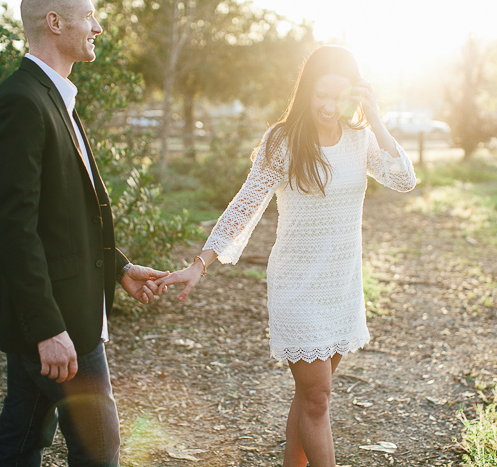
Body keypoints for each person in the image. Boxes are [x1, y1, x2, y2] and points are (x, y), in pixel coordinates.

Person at [154, 45, 417, 467]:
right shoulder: (283, 141)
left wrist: (379, 121)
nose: (329, 106)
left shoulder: (360, 139)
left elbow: (405, 179)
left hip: (341, 286)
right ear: (306, 90)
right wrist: (200, 262)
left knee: (310, 395)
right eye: (321, 95)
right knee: (318, 399)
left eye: (340, 96)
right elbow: (245, 204)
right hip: (298, 287)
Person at [0, 0, 167, 465]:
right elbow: (11, 229)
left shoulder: (52, 95)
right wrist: (47, 329)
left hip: (62, 312)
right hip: (59, 322)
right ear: (55, 22)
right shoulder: (20, 102)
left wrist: (118, 266)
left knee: (21, 442)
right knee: (98, 451)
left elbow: (61, 215)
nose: (98, 26)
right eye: (90, 15)